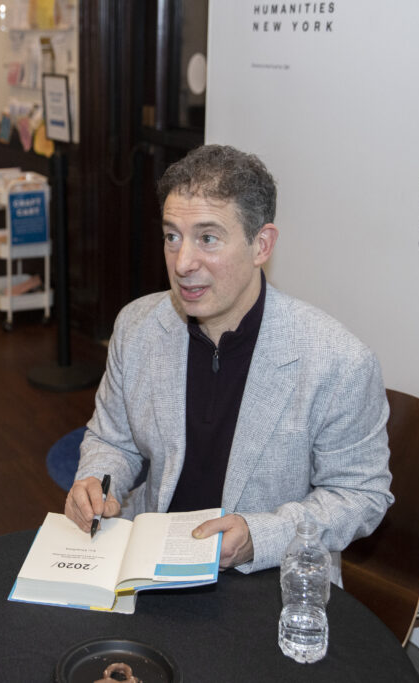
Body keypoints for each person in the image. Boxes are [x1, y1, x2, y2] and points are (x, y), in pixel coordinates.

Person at [65, 144, 393, 580]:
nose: (182, 263)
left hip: (267, 576)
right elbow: (112, 440)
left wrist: (261, 535)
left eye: (208, 238)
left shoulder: (338, 361)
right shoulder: (137, 325)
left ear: (262, 245)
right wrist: (95, 481)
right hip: (148, 560)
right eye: (172, 236)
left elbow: (361, 493)